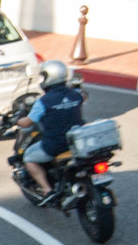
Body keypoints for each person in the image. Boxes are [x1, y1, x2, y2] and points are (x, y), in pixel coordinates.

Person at [17, 60, 86, 207]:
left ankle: (48, 190)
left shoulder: (43, 102)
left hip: (57, 145)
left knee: (28, 158)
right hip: (78, 142)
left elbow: (27, 122)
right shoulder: (75, 94)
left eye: (43, 76)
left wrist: (17, 120)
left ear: (49, 77)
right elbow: (82, 98)